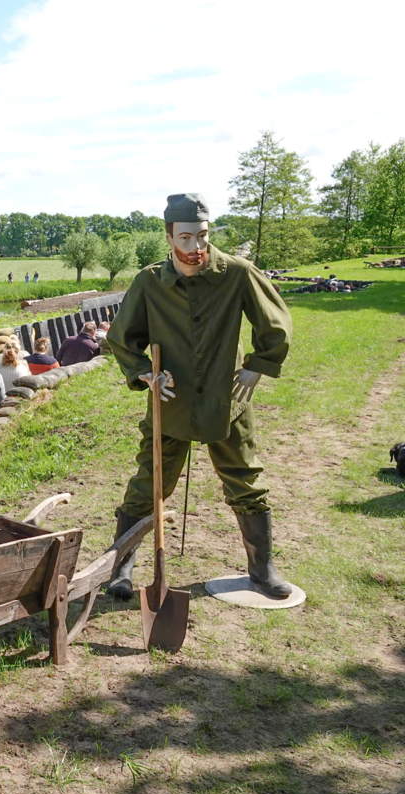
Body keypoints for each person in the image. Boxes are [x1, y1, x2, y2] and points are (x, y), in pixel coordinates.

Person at [106, 193, 293, 600]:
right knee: (148, 484)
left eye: (203, 237)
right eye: (186, 238)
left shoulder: (238, 274)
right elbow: (122, 339)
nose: (196, 249)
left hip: (226, 401)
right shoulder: (149, 282)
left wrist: (259, 363)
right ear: (169, 236)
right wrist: (144, 373)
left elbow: (274, 320)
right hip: (169, 402)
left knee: (245, 481)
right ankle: (120, 566)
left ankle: (263, 570)